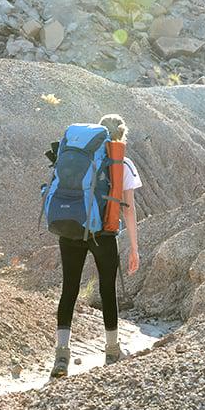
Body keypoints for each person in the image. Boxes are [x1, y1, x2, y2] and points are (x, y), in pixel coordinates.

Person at [50, 114, 141, 378]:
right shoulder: (122, 163)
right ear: (121, 136)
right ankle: (112, 350)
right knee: (107, 289)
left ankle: (61, 357)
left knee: (69, 289)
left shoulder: (81, 156)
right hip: (103, 233)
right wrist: (134, 248)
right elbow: (129, 210)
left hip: (72, 226)